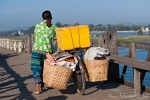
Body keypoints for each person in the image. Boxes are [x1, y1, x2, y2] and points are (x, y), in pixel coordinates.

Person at [30, 10, 57, 94]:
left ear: (42, 18)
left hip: (37, 50)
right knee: (44, 70)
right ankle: (43, 86)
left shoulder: (38, 25)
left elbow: (36, 35)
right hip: (47, 53)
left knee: (36, 70)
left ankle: (37, 89)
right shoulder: (54, 28)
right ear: (51, 18)